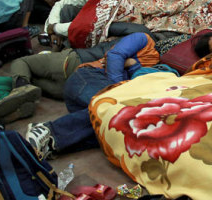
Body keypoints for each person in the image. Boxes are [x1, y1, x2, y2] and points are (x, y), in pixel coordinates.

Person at [25, 32, 160, 158]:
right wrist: (118, 89)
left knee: (118, 130)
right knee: (119, 109)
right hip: (89, 77)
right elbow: (114, 55)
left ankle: (50, 144)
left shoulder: (161, 68)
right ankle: (50, 131)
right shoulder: (143, 39)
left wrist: (132, 65)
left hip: (88, 99)